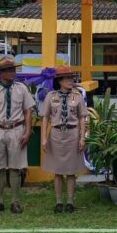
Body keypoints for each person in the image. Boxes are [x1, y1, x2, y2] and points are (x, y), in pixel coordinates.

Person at [0, 55, 35, 215]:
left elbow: (28, 111)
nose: (13, 73)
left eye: (13, 70)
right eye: (9, 70)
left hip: (16, 129)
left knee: (16, 168)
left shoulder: (21, 89)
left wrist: (27, 131)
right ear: (1, 73)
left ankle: (15, 202)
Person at [41, 67, 89, 213]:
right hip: (56, 135)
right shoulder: (51, 96)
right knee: (57, 171)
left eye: (72, 78)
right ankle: (58, 201)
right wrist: (44, 138)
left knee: (71, 171)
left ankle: (70, 201)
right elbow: (45, 118)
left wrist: (82, 137)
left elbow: (82, 118)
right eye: (68, 78)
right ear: (60, 81)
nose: (71, 81)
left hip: (72, 134)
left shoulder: (77, 97)